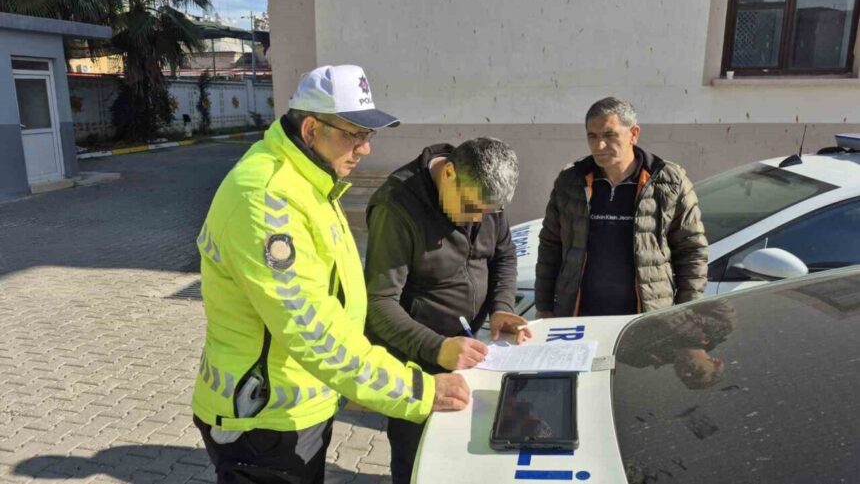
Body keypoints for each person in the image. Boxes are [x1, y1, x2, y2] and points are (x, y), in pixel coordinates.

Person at [191, 65, 470, 484]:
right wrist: (418, 390)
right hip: (265, 419)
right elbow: (313, 331)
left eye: (368, 135)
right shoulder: (267, 200)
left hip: (299, 401)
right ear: (310, 130)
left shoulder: (310, 181)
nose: (365, 149)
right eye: (354, 134)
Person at [364, 137, 530, 484]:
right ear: (450, 172)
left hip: (470, 349)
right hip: (418, 357)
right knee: (419, 461)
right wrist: (436, 348)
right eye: (470, 207)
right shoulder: (397, 208)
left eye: (487, 213)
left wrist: (501, 307)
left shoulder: (484, 196)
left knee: (465, 455)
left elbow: (504, 255)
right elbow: (379, 304)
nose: (476, 219)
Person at [535, 97, 708, 319]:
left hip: (645, 317)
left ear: (633, 134)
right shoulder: (571, 181)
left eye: (609, 135)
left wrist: (686, 312)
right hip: (578, 315)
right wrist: (544, 307)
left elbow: (692, 250)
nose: (599, 146)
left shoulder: (668, 181)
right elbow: (550, 245)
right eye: (592, 136)